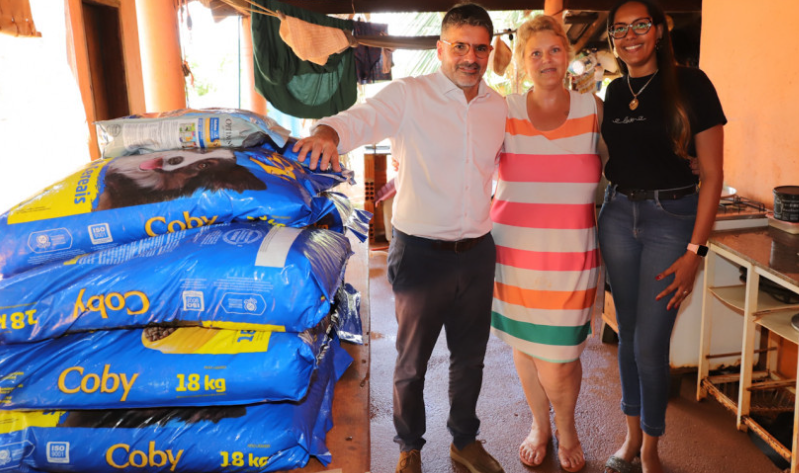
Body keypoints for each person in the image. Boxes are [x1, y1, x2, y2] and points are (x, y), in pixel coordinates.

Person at [292, 4, 507, 473]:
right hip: (421, 254)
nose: (470, 57)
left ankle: (464, 441)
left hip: (477, 252)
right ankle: (410, 447)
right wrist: (328, 133)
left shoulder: (498, 107)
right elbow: (360, 118)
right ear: (441, 49)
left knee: (470, 359)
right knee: (412, 362)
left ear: (489, 52)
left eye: (479, 48)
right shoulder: (410, 94)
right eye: (460, 46)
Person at [598, 1, 726, 473]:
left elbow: (712, 174)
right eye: (619, 29)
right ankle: (631, 437)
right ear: (612, 39)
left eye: (640, 25)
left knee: (651, 344)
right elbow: (613, 158)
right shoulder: (615, 91)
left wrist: (695, 251)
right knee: (628, 334)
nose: (630, 36)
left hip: (671, 219)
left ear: (658, 31)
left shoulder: (692, 84)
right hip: (617, 215)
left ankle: (651, 446)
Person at [489, 14, 601, 472]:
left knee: (559, 359)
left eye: (554, 50)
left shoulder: (594, 110)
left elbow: (630, 162)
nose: (546, 59)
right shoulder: (504, 111)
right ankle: (541, 425)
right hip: (514, 257)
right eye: (535, 53)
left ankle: (566, 426)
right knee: (526, 347)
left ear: (567, 54)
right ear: (522, 62)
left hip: (572, 259)